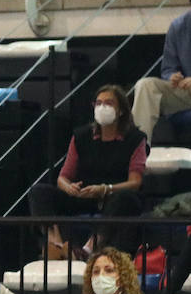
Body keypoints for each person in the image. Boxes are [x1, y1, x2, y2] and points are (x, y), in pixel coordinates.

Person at [30, 84, 146, 257]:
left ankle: (89, 248)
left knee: (126, 199)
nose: (102, 107)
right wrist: (69, 188)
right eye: (98, 103)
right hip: (83, 194)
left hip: (112, 196)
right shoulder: (81, 136)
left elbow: (135, 182)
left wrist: (106, 189)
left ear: (121, 110)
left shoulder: (135, 139)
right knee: (39, 192)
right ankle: (57, 245)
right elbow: (63, 177)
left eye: (108, 103)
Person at [131, 0, 191, 136]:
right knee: (145, 86)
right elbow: (168, 68)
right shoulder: (178, 26)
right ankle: (139, 150)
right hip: (186, 93)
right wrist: (173, 77)